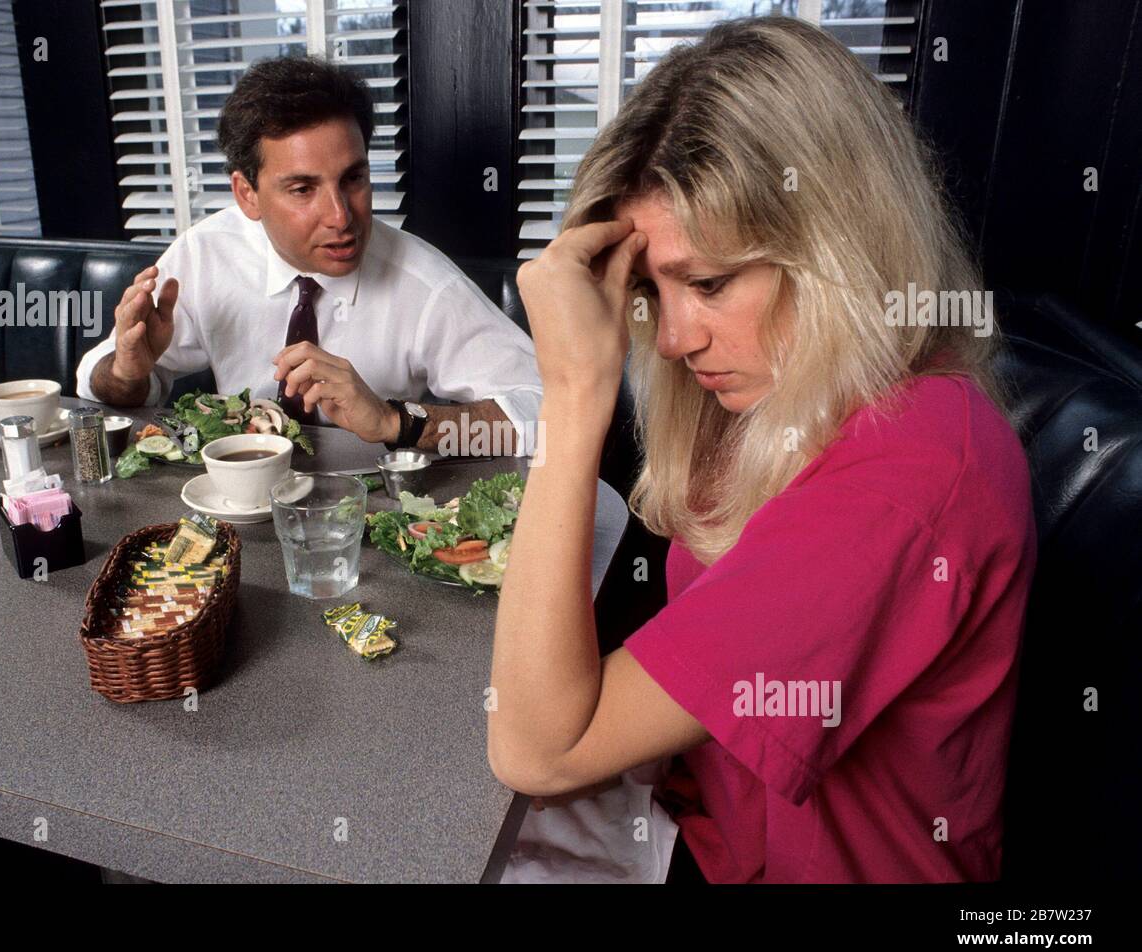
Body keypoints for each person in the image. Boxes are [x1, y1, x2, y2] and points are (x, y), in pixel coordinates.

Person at [488, 16, 1037, 883]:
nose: (669, 338)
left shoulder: (911, 470)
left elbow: (537, 749)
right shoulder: (788, 393)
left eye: (708, 283)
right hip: (715, 839)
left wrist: (575, 395)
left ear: (838, 245)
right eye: (649, 289)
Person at [76, 57, 541, 455]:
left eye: (353, 179)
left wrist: (396, 420)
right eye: (302, 189)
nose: (341, 216)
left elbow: (543, 417)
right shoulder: (205, 254)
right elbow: (101, 388)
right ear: (247, 194)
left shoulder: (426, 285)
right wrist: (126, 372)